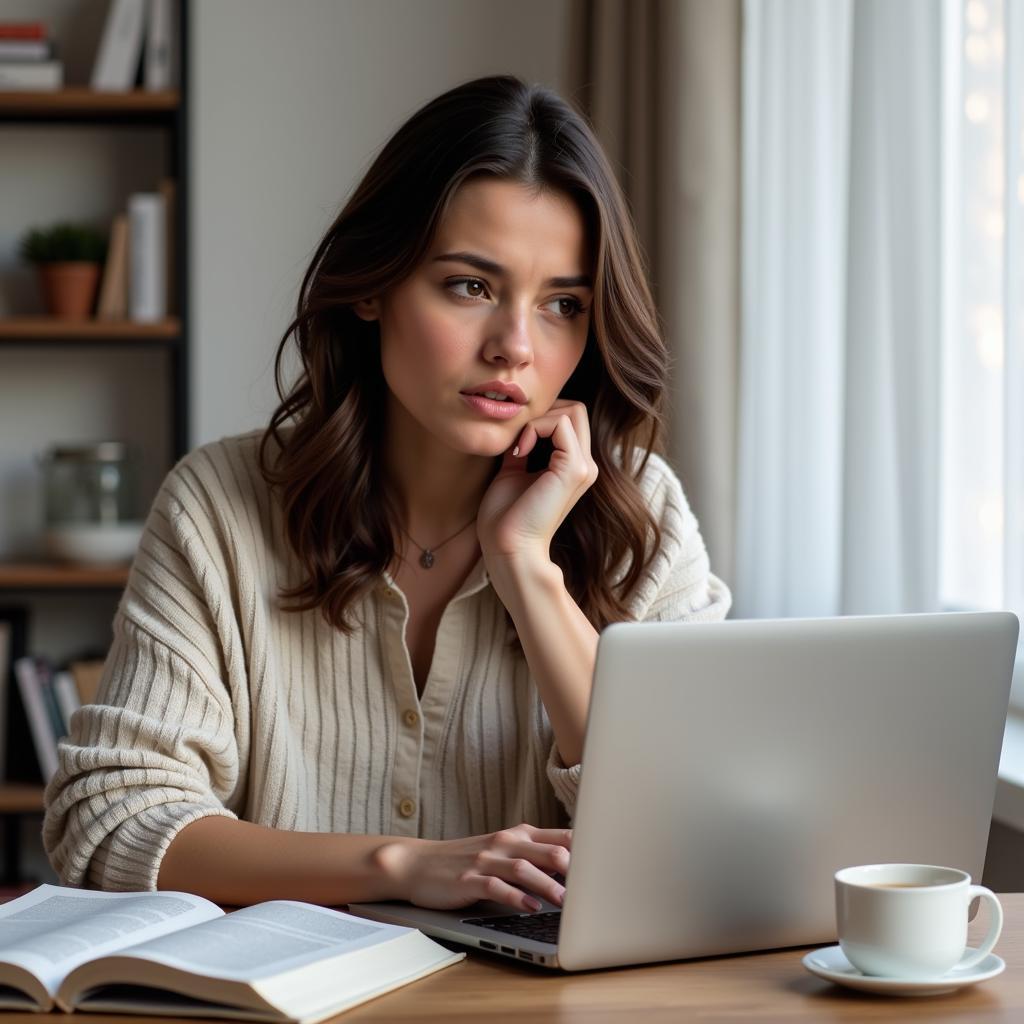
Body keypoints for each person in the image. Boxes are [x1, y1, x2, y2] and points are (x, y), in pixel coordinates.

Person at [43, 74, 730, 912]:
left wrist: (528, 572)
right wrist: (402, 866)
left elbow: (698, 841)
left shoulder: (643, 518)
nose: (515, 346)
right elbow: (109, 821)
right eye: (470, 287)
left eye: (562, 304)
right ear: (372, 285)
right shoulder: (218, 508)